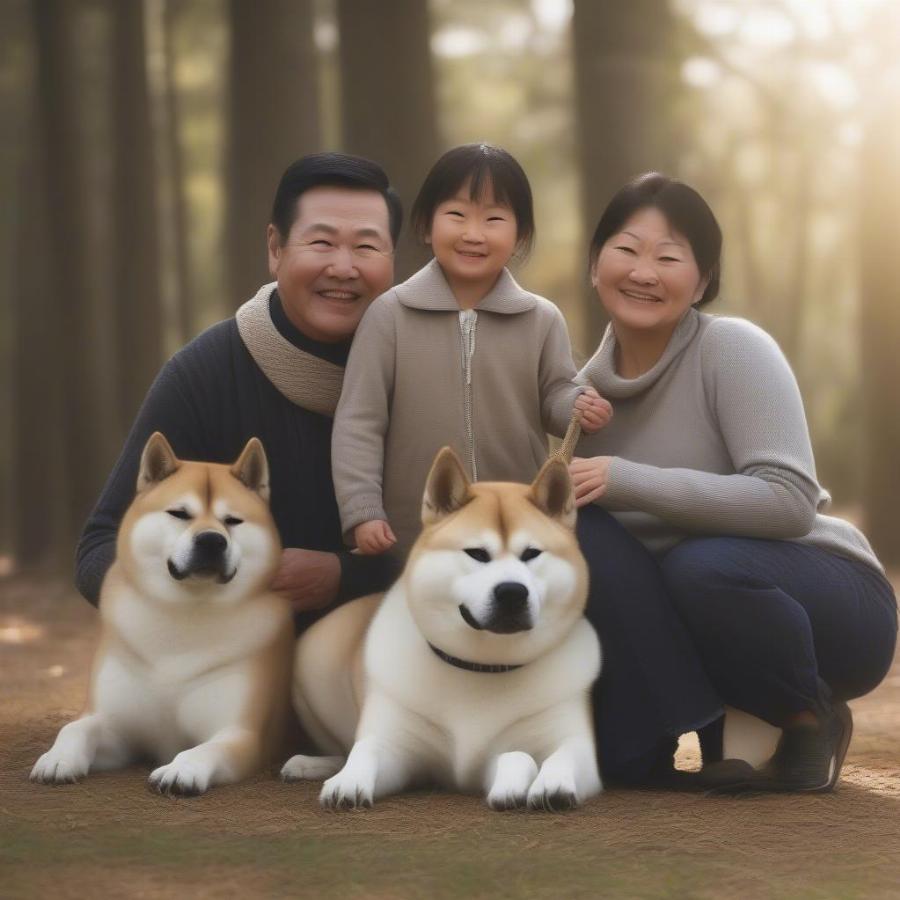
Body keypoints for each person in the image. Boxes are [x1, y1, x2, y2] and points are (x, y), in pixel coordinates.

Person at [570, 171, 897, 791]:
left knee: (700, 563)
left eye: (669, 257)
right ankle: (683, 720)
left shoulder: (732, 349)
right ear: (595, 265)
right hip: (704, 627)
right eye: (627, 249)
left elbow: (790, 502)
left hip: (831, 601)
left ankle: (809, 715)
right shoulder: (580, 404)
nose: (644, 271)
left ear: (703, 281)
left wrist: (629, 479)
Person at [76, 153, 404, 617]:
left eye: (367, 247)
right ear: (275, 247)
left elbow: (480, 540)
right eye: (322, 242)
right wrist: (215, 579)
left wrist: (345, 576)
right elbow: (98, 550)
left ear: (394, 260)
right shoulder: (204, 372)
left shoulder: (426, 368)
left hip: (390, 656)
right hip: (228, 655)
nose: (344, 267)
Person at [332, 143, 609, 557]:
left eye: (494, 219)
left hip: (518, 526)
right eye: (456, 215)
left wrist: (577, 407)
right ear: (427, 226)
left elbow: (555, 394)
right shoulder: (389, 315)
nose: (473, 233)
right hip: (415, 531)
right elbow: (359, 421)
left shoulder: (540, 318)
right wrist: (363, 510)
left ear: (520, 235)